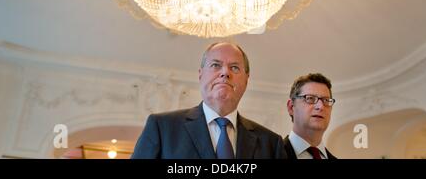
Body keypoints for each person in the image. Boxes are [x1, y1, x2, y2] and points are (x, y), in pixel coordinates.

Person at [131, 42, 286, 159]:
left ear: (246, 80)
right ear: (200, 74)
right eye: (215, 65)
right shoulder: (162, 127)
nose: (225, 72)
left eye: (235, 68)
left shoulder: (271, 143)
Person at [284, 73, 337, 159]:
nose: (320, 106)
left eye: (326, 100)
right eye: (310, 98)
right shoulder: (269, 155)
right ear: (291, 107)